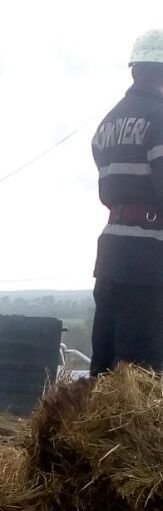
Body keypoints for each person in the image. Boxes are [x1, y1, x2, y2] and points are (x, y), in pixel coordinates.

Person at [89, 29, 163, 376]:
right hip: (149, 258)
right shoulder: (159, 118)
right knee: (140, 374)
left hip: (112, 252)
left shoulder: (108, 122)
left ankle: (95, 431)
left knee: (105, 363)